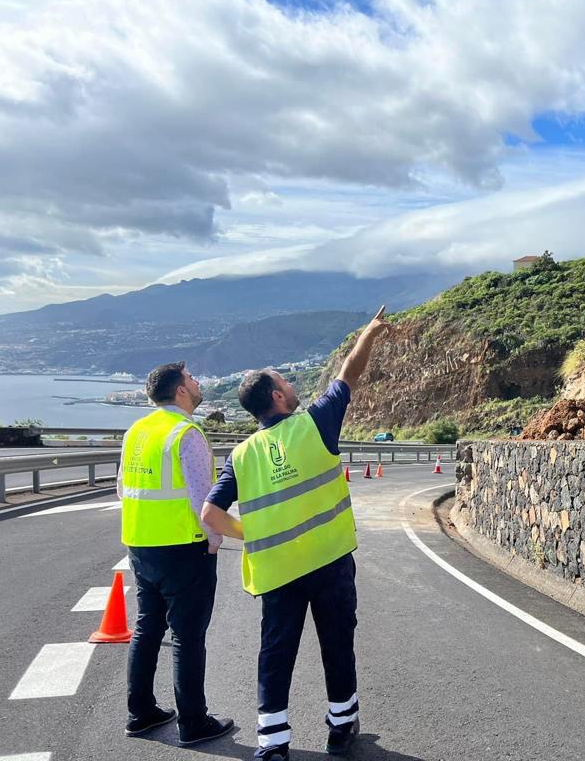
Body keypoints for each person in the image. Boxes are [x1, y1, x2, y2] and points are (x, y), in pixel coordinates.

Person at [202, 306, 392, 760]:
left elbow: (210, 514)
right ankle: (341, 728)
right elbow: (350, 374)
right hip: (328, 561)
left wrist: (255, 534)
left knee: (276, 651)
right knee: (337, 645)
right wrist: (369, 333)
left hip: (278, 570)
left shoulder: (242, 456)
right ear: (279, 397)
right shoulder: (316, 424)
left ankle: (272, 743)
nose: (293, 385)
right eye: (284, 382)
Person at [118, 362, 234, 746]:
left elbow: (122, 488)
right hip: (184, 548)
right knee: (187, 635)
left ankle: (141, 713)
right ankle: (193, 723)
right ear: (181, 392)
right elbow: (203, 501)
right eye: (192, 379)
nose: (198, 383)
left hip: (140, 544)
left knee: (148, 627)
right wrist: (214, 540)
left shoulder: (137, 430)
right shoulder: (187, 433)